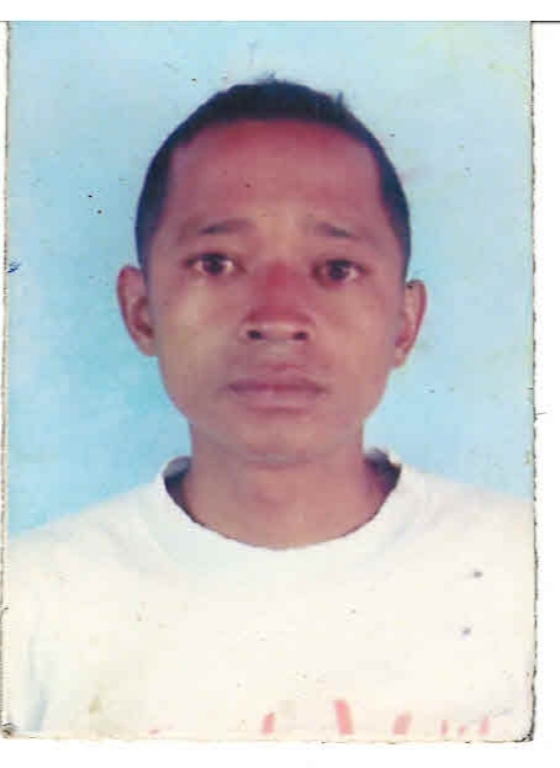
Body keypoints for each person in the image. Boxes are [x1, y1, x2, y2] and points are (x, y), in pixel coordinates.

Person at [3, 79, 534, 741]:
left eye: (336, 268)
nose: (278, 317)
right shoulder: (29, 602)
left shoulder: (528, 573)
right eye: (216, 263)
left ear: (404, 323)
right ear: (142, 311)